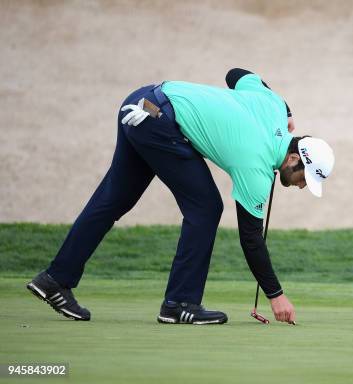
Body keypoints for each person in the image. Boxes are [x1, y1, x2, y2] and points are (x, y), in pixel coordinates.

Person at [26, 68, 335, 325]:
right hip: (157, 119)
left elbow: (237, 75)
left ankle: (54, 280)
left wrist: (286, 108)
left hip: (142, 101)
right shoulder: (255, 167)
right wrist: (276, 295)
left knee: (114, 199)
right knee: (206, 207)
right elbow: (251, 238)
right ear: (294, 159)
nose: (301, 186)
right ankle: (180, 303)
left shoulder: (273, 107)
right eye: (304, 179)